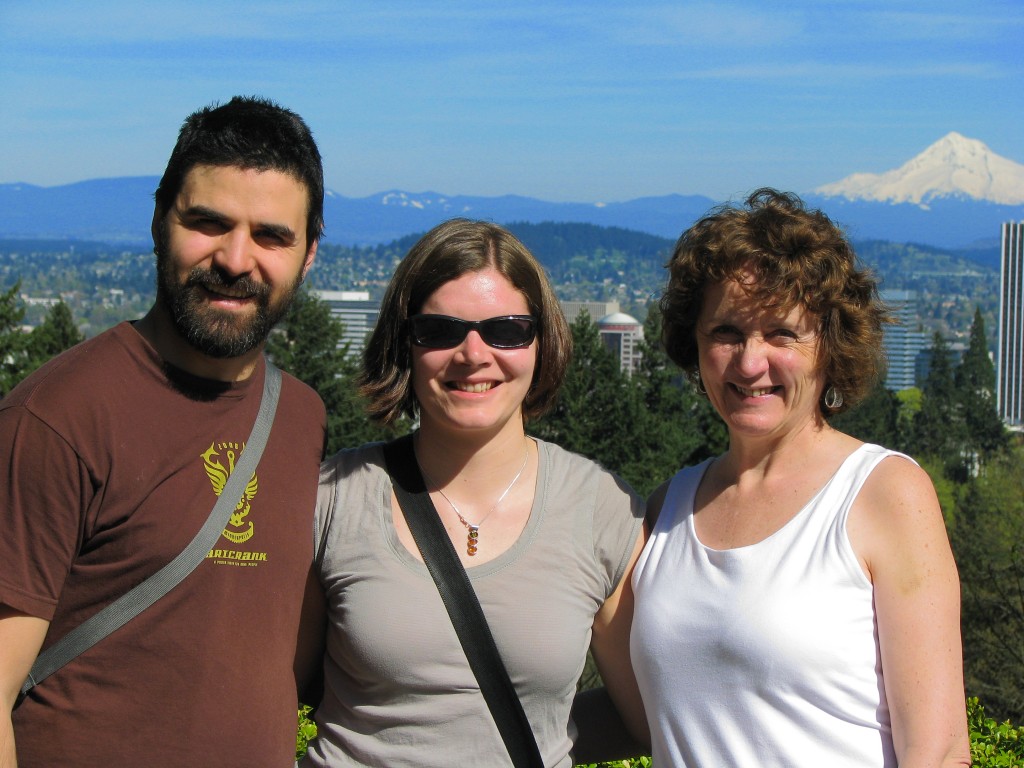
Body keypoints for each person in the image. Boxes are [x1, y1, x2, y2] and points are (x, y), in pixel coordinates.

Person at [0, 96, 328, 768]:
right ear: (158, 220)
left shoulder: (303, 417)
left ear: (310, 253)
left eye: (271, 236)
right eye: (208, 223)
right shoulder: (59, 417)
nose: (237, 260)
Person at [630, 188, 970, 767]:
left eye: (781, 334)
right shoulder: (668, 509)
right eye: (727, 332)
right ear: (695, 343)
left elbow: (936, 752)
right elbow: (638, 712)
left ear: (830, 348)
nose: (750, 362)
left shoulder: (884, 493)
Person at [304, 218, 648, 767]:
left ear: (542, 341)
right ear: (405, 342)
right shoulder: (334, 498)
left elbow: (645, 716)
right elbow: (272, 690)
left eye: (507, 330)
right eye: (439, 330)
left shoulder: (601, 510)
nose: (473, 353)